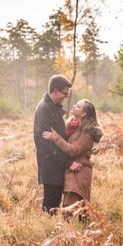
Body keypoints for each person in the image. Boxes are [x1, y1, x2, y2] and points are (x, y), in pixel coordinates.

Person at [42, 99, 103, 209]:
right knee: (71, 208)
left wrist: (56, 138)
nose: (74, 106)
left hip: (80, 171)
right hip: (71, 169)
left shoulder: (87, 132)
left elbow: (74, 150)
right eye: (75, 104)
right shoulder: (70, 125)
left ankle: (79, 227)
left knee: (74, 209)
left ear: (83, 113)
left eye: (78, 106)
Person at [33, 75, 73, 213]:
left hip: (56, 165)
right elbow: (45, 146)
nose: (66, 97)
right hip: (51, 166)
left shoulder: (52, 107)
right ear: (55, 91)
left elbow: (58, 135)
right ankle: (47, 231)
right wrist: (68, 162)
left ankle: (51, 230)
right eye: (64, 93)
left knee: (54, 205)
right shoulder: (44, 109)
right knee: (50, 207)